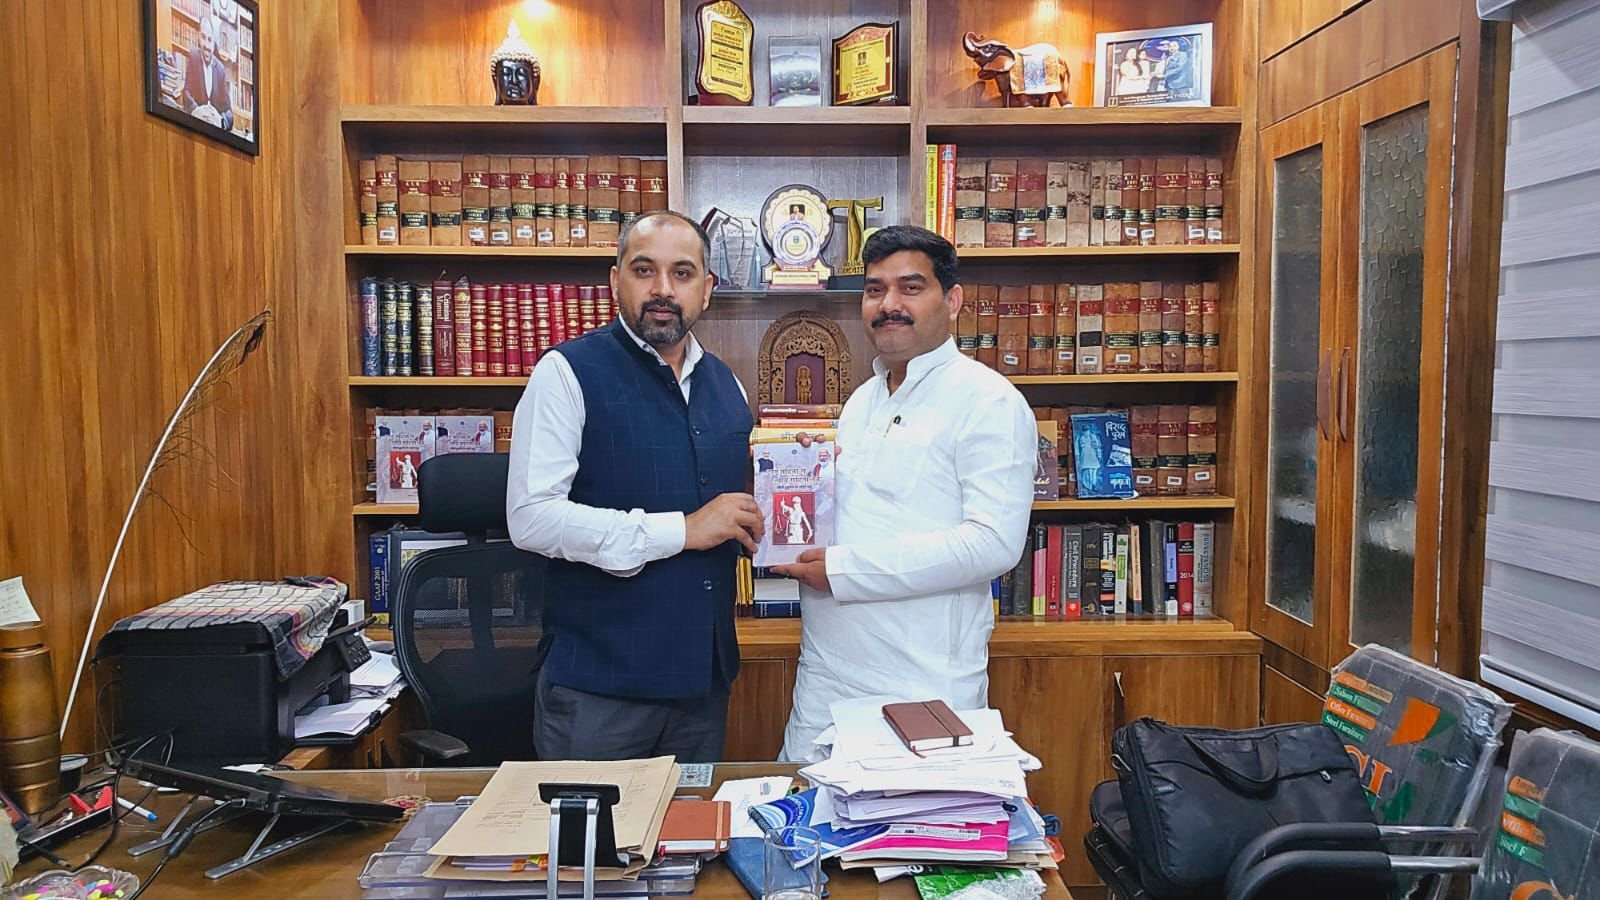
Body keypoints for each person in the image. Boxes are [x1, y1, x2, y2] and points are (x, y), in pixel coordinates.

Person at [773, 225, 1036, 761]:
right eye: (875, 290)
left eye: (911, 287)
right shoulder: (861, 401)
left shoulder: (989, 402)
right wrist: (805, 476)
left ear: (952, 301)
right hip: (824, 684)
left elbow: (993, 544)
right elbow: (870, 517)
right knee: (808, 813)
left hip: (924, 690)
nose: (889, 304)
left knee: (914, 819)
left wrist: (844, 570)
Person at [507, 210, 760, 762]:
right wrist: (683, 531)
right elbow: (531, 519)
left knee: (691, 821)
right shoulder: (565, 373)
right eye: (645, 270)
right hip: (600, 690)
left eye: (682, 273)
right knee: (592, 824)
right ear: (615, 280)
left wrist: (800, 478)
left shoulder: (727, 384)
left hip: (703, 683)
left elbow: (739, 508)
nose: (663, 289)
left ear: (707, 289)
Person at [182, 16, 234, 131]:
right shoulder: (193, 57)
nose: (206, 45)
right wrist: (196, 110)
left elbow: (229, 112)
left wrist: (220, 121)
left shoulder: (220, 70)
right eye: (203, 37)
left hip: (214, 131)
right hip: (196, 126)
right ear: (198, 37)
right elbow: (186, 92)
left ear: (214, 43)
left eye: (210, 40)